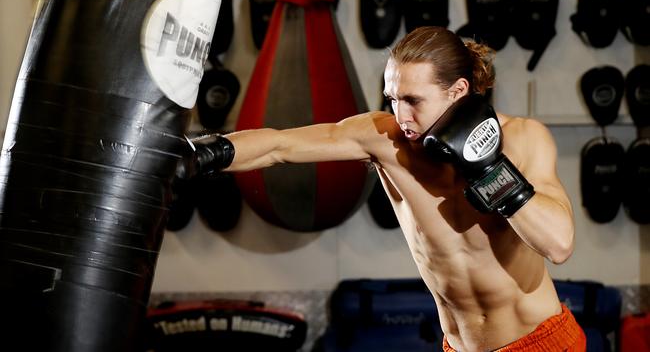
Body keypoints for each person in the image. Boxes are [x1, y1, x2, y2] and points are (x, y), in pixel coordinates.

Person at [194, 26, 586, 351]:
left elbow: (559, 245)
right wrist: (201, 154)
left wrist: (489, 167)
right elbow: (279, 145)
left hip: (541, 342)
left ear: (458, 90)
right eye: (393, 97)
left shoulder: (523, 139)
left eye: (414, 100)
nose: (402, 115)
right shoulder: (385, 138)